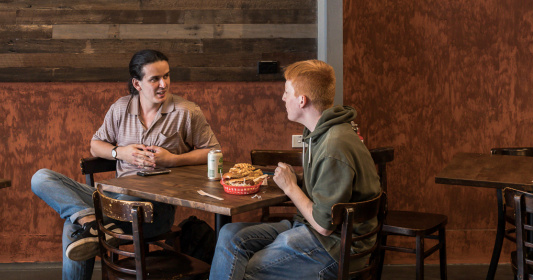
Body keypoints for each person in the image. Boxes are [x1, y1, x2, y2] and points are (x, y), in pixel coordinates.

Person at [32, 49, 220, 280]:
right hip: (112, 198)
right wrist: (121, 152)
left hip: (153, 210)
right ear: (137, 83)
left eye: (166, 76)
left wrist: (173, 159)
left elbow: (214, 152)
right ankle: (90, 221)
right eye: (154, 79)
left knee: (73, 227)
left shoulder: (186, 112)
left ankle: (90, 225)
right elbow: (95, 146)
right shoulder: (121, 107)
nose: (164, 84)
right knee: (41, 177)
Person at [209, 60, 381, 280]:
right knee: (230, 234)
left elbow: (324, 226)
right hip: (311, 229)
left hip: (336, 248)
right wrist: (296, 178)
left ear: (302, 100)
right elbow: (326, 187)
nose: (283, 98)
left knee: (243, 270)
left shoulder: (333, 146)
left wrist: (290, 187)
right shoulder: (320, 132)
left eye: (286, 92)